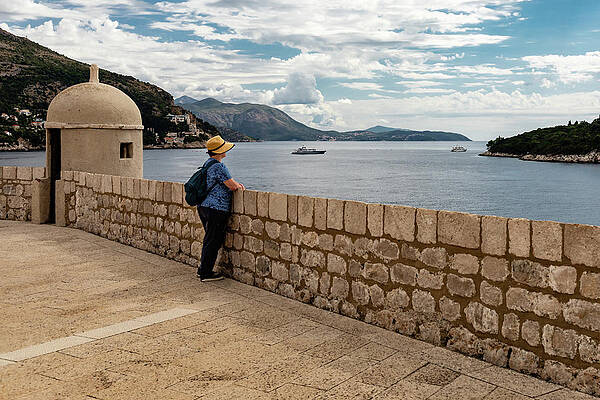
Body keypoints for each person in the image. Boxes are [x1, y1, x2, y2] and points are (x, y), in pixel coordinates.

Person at [196, 135, 245, 281]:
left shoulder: (208, 163)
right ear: (218, 151)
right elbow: (232, 186)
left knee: (209, 239)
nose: (226, 151)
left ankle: (203, 269)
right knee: (213, 241)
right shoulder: (219, 166)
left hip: (204, 206)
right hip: (216, 209)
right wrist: (239, 185)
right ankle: (205, 272)